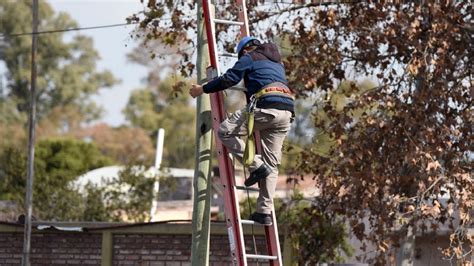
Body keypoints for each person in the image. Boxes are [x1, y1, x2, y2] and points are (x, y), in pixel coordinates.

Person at [189, 36, 294, 225]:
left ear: (245, 50)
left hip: (265, 106)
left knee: (225, 131)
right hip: (286, 112)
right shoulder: (278, 62)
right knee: (272, 165)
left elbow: (230, 79)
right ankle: (264, 212)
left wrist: (202, 89)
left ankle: (256, 165)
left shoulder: (249, 57)